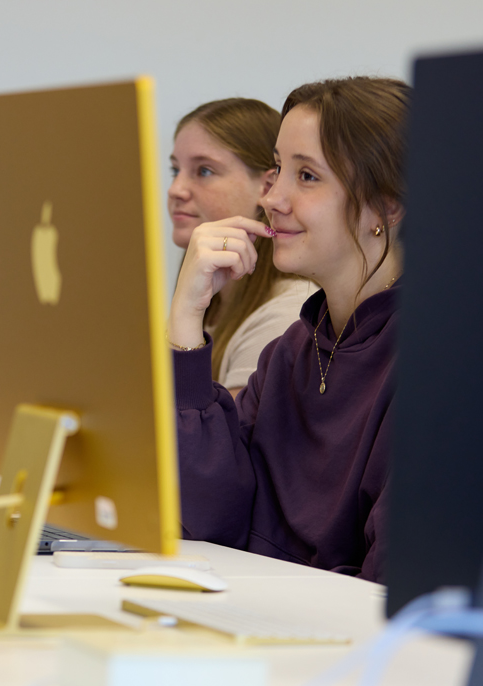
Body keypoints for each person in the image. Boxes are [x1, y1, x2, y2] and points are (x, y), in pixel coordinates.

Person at [168, 77, 409, 582]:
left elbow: (391, 591)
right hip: (254, 622)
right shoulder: (292, 350)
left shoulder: (435, 367)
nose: (273, 197)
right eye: (279, 170)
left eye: (307, 176)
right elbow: (209, 521)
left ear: (387, 207)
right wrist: (186, 321)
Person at [168, 98, 315, 397]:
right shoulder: (214, 301)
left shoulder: (288, 314)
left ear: (267, 188)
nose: (175, 190)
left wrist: (184, 313)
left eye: (204, 171)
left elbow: (219, 443)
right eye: (175, 171)